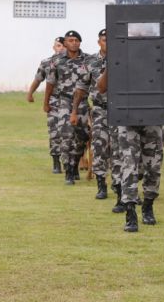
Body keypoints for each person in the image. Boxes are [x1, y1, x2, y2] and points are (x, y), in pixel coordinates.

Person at [97, 70, 164, 232]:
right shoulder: (120, 52)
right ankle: (130, 211)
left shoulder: (158, 50)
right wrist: (111, 64)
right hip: (126, 117)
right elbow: (101, 87)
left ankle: (148, 205)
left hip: (153, 117)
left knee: (153, 166)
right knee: (129, 164)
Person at [43, 31, 90, 185]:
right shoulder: (57, 62)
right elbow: (50, 83)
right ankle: (68, 170)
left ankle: (75, 163)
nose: (74, 43)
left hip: (82, 103)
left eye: (77, 40)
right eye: (70, 40)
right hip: (63, 102)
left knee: (82, 138)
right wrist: (46, 102)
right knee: (66, 137)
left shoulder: (88, 60)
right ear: (66, 43)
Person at [73, 29, 112, 200]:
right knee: (99, 146)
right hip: (99, 110)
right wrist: (74, 111)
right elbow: (81, 88)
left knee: (119, 148)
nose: (107, 43)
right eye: (104, 40)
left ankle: (119, 185)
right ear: (99, 42)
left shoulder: (125, 59)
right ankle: (101, 184)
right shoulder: (90, 62)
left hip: (121, 110)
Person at [27, 36, 65, 173]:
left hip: (70, 101)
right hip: (54, 101)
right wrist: (30, 93)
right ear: (54, 47)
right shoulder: (47, 63)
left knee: (73, 134)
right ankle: (56, 161)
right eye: (59, 45)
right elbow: (38, 79)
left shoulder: (75, 62)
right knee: (55, 132)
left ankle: (73, 163)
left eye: (63, 45)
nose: (61, 48)